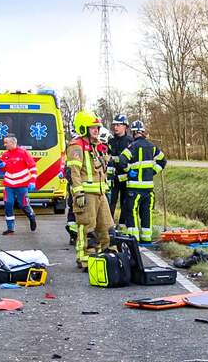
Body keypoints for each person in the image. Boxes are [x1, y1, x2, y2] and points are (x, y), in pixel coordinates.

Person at [67, 110, 114, 268]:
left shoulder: (97, 147)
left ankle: (106, 258)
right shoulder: (76, 146)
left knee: (107, 227)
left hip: (101, 193)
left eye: (98, 128)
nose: (96, 130)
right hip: (86, 194)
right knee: (88, 227)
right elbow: (74, 172)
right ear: (83, 128)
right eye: (93, 127)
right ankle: (86, 259)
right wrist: (78, 193)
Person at [118, 120, 167, 244]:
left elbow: (121, 161)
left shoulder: (132, 147)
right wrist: (152, 172)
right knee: (146, 213)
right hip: (148, 188)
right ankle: (146, 237)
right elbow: (163, 161)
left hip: (134, 188)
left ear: (134, 133)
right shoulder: (152, 147)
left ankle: (134, 239)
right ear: (143, 132)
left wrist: (129, 171)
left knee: (132, 212)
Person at [0, 135, 37, 235]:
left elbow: (33, 167)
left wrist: (33, 181)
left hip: (22, 184)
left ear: (13, 143)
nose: (4, 145)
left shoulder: (23, 153)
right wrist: (2, 166)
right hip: (9, 184)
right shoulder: (4, 155)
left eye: (6, 143)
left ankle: (31, 216)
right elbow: (2, 170)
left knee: (23, 204)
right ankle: (10, 228)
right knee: (8, 203)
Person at [108, 113, 132, 231]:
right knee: (110, 203)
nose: (115, 127)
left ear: (125, 126)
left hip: (126, 178)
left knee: (125, 203)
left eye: (118, 125)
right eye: (114, 125)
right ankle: (110, 226)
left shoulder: (130, 142)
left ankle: (122, 226)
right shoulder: (111, 142)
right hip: (112, 178)